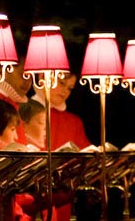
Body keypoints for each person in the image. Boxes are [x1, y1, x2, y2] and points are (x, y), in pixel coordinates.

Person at [30, 72, 91, 221]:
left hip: (62, 197)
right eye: (62, 83)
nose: (65, 91)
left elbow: (85, 154)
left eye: (70, 88)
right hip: (31, 197)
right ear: (43, 78)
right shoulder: (25, 111)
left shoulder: (74, 121)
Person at [0, 55, 33, 145]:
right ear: (2, 70)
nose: (28, 81)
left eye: (31, 76)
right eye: (24, 75)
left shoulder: (13, 103)